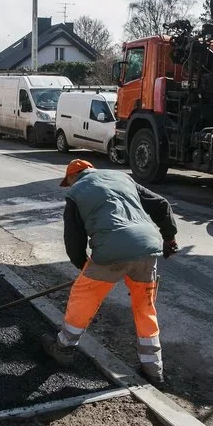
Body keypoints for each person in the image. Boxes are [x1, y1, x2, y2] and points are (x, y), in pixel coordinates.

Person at [42, 159, 179, 385]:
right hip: (148, 247)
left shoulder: (76, 192)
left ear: (74, 177)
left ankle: (64, 348)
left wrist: (82, 265)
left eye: (69, 181)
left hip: (110, 251)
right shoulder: (123, 178)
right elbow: (161, 203)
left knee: (83, 298)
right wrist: (169, 237)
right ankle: (154, 369)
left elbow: (73, 241)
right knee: (145, 306)